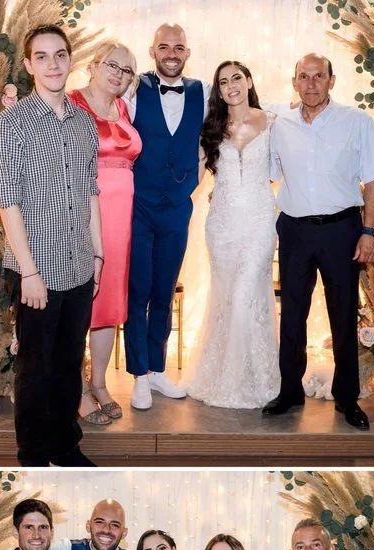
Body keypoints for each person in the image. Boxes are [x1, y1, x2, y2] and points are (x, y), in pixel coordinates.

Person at [0, 25, 101, 467]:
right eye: (42, 57)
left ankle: (65, 446)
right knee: (34, 369)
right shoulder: (10, 125)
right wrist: (29, 272)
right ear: (29, 64)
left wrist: (98, 254)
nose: (53, 64)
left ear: (70, 60)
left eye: (60, 55)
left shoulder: (83, 123)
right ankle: (33, 454)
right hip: (35, 269)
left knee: (71, 363)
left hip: (78, 263)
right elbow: (7, 201)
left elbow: (90, 192)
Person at [266, 54, 374, 431]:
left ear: (332, 81)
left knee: (342, 315)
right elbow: (267, 172)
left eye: (319, 76)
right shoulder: (280, 125)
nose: (311, 83)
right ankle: (289, 391)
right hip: (294, 231)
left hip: (342, 231)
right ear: (294, 82)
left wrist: (369, 232)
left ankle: (347, 398)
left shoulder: (356, 122)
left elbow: (372, 181)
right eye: (303, 76)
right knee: (292, 316)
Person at [188, 61, 282, 410]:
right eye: (224, 81)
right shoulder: (211, 128)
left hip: (259, 220)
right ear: (219, 89)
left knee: (247, 295)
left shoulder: (272, 121)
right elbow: (195, 175)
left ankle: (258, 377)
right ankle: (225, 375)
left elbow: (289, 165)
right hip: (222, 224)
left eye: (236, 78)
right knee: (228, 298)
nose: (231, 86)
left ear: (249, 81)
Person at [122, 23, 203, 409]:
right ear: (153, 51)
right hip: (137, 206)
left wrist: (195, 179)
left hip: (177, 209)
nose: (172, 53)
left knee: (164, 292)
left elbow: (219, 132)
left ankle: (157, 370)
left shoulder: (202, 91)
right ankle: (138, 375)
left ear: (187, 53)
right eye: (164, 47)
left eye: (179, 47)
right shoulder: (133, 85)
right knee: (137, 291)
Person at [71, 42, 141, 425]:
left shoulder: (123, 109)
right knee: (81, 301)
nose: (118, 74)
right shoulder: (70, 103)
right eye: (112, 65)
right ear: (93, 65)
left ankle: (99, 382)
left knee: (109, 305)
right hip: (82, 214)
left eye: (127, 70)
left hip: (121, 220)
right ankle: (77, 388)